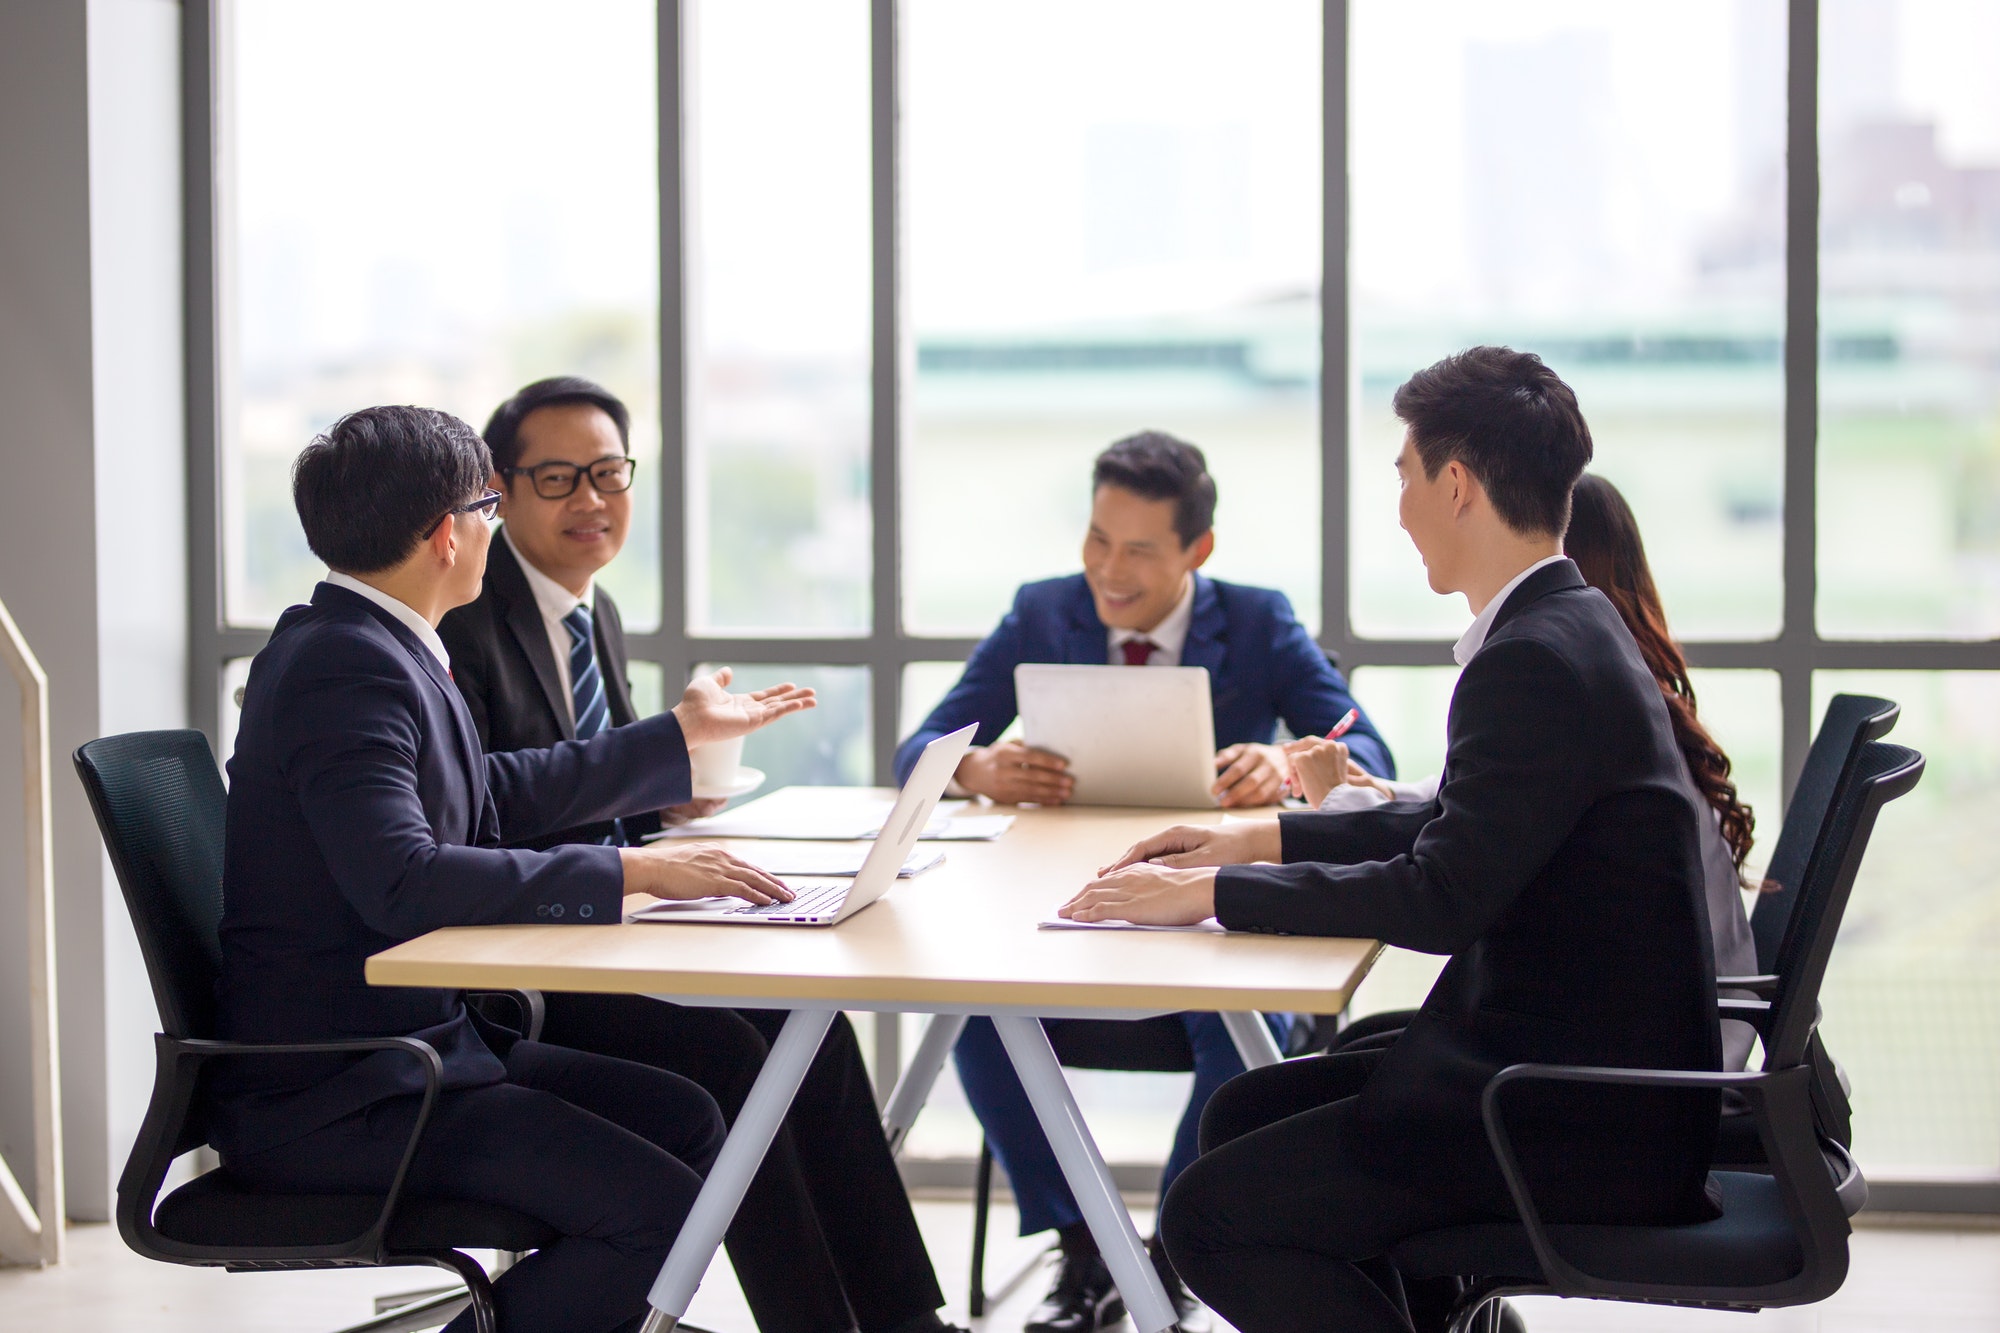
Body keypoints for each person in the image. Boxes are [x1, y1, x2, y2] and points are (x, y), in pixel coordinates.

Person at [1059, 348, 1724, 1333]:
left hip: (1566, 1113)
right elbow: (1456, 822)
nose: (1400, 504)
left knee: (1211, 1218)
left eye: (1404, 475)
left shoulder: (1532, 657)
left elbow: (1440, 894)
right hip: (1570, 1077)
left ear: (1455, 485)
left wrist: (1209, 895)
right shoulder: (1565, 626)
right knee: (1241, 1114)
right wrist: (1252, 841)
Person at [212, 404, 814, 1333]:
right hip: (343, 1090)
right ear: (448, 533)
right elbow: (402, 878)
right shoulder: (347, 665)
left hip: (420, 1051)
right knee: (652, 1211)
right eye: (492, 504)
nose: (496, 526)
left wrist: (672, 749)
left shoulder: (378, 644)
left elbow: (483, 793)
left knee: (691, 1117)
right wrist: (634, 878)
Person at [438, 376, 962, 1333]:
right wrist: (646, 771)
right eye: (557, 478)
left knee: (811, 1019)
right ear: (499, 493)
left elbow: (582, 787)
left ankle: (903, 1318)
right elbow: (479, 803)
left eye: (607, 472)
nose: (590, 500)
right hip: (519, 956)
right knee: (731, 1050)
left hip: (608, 924)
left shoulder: (590, 610)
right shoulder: (466, 621)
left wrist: (663, 796)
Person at [894, 430, 1394, 1333]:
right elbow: (920, 749)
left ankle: (1167, 1253)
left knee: (1239, 1014)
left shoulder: (1256, 620)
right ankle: (1086, 1247)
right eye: (1096, 539)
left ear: (1197, 550)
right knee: (970, 1009)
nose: (1107, 571)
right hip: (1067, 917)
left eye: (1137, 550)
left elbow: (1369, 754)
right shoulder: (1042, 613)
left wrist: (1285, 763)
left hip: (1205, 923)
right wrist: (981, 771)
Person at [1289, 471, 1762, 1068]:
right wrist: (1371, 793)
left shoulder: (1557, 674)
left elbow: (1460, 865)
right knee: (1348, 1057)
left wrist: (1335, 806)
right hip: (1666, 1025)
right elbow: (1468, 805)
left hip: (1635, 1056)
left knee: (1272, 1101)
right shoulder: (1620, 682)